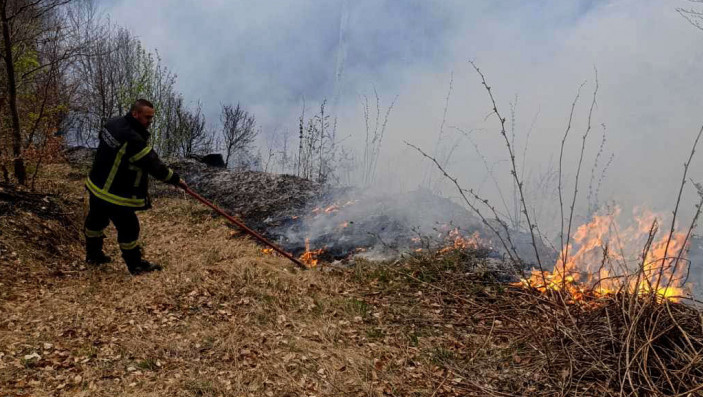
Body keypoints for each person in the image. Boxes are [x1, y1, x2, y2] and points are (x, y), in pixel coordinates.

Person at [83, 99, 187, 275]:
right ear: (135, 114)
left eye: (152, 118)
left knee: (95, 222)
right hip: (115, 195)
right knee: (130, 228)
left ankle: (93, 255)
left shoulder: (113, 122)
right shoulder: (134, 140)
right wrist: (176, 180)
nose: (150, 122)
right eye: (147, 118)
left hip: (96, 186)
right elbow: (155, 166)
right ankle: (136, 266)